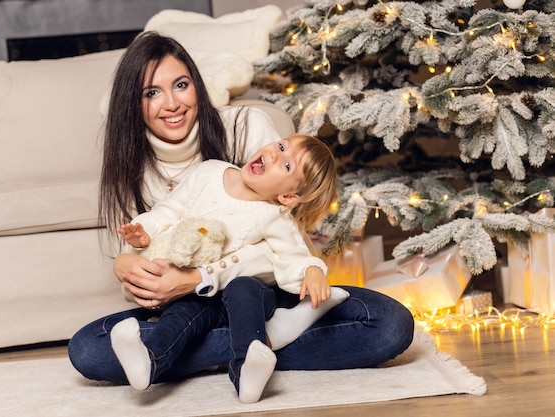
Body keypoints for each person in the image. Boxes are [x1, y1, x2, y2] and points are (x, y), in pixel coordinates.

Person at [68, 31, 415, 387]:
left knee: (388, 323)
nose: (171, 103)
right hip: (183, 308)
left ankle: (197, 354)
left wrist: (201, 279)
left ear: (197, 85)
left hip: (258, 296)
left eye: (181, 84)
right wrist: (125, 266)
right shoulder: (131, 162)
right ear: (134, 103)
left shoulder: (246, 127)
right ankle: (252, 349)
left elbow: (282, 246)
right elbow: (147, 244)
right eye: (152, 93)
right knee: (87, 350)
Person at [112, 134, 349, 402]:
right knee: (181, 314)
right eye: (281, 147)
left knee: (244, 287)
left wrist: (313, 271)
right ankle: (148, 362)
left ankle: (246, 374)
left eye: (286, 165)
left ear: (287, 196)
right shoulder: (209, 172)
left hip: (245, 299)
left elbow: (295, 254)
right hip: (197, 295)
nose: (274, 155)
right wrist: (146, 232)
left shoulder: (274, 216)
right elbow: (169, 211)